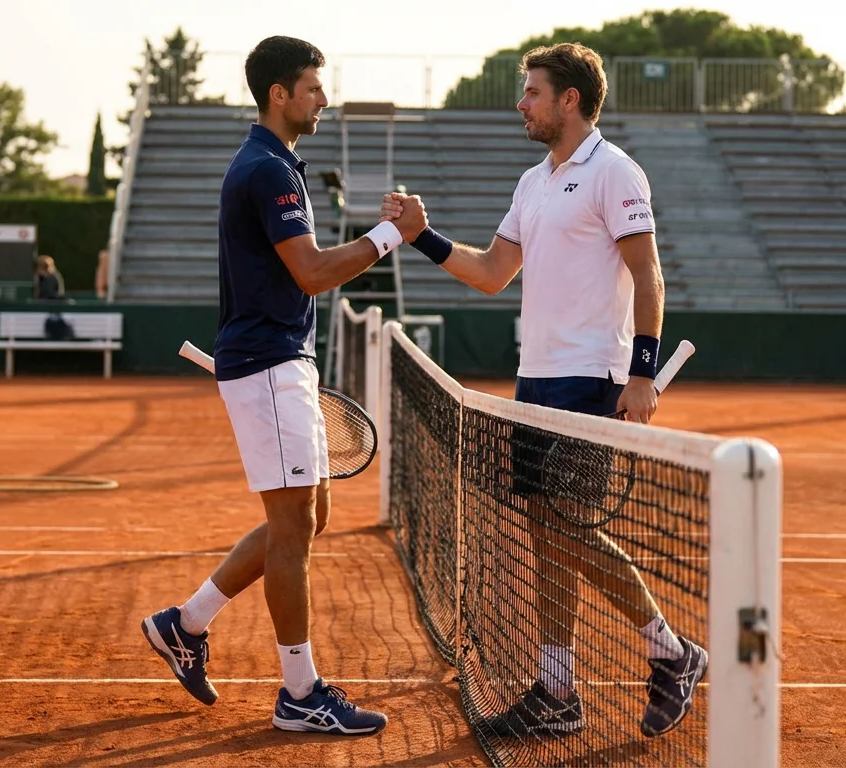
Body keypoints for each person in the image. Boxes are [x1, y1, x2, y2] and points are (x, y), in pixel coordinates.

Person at [380, 42, 706, 739]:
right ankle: (558, 691)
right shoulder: (534, 182)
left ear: (570, 99)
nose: (520, 102)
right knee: (546, 535)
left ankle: (671, 652)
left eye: (532, 91)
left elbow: (648, 274)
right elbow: (494, 271)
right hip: (537, 380)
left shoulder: (615, 171)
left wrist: (642, 372)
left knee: (573, 529)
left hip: (594, 381)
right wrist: (422, 236)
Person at [140, 35, 427, 735]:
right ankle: (300, 693)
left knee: (306, 519)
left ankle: (186, 622)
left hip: (279, 358)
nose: (322, 99)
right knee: (295, 527)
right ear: (279, 94)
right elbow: (312, 272)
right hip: (269, 361)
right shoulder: (267, 169)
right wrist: (392, 236)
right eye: (313, 87)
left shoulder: (275, 165)